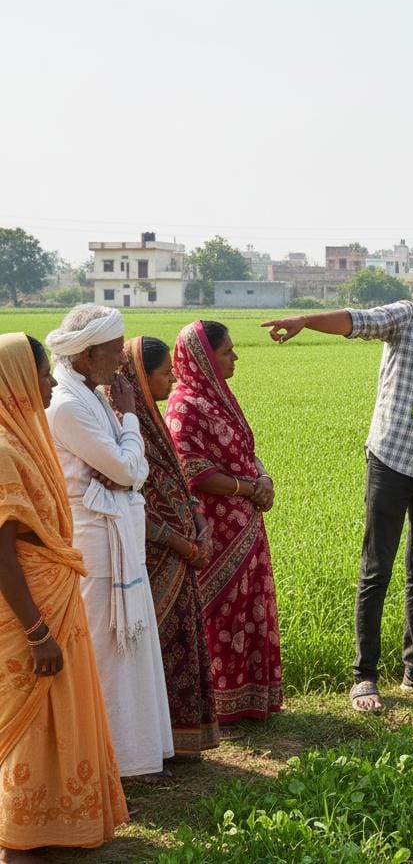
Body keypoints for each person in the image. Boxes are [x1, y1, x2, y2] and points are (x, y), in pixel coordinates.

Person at [262, 250, 413, 714]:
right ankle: (364, 676)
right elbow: (356, 321)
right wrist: (307, 320)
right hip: (390, 459)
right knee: (376, 570)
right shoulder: (407, 318)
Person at [0, 334, 129, 859]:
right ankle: (20, 839)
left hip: (52, 596)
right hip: (29, 611)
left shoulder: (24, 440)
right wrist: (36, 632)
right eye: (41, 375)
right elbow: (2, 553)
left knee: (58, 713)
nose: (52, 382)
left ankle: (53, 825)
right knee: (32, 719)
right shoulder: (4, 451)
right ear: (16, 382)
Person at [45, 305, 174, 782]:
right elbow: (128, 471)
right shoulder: (69, 404)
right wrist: (132, 420)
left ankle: (128, 755)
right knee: (104, 647)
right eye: (114, 349)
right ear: (88, 352)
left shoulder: (90, 394)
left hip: (117, 532)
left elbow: (129, 473)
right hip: (96, 541)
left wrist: (125, 449)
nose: (122, 359)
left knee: (127, 647)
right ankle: (103, 759)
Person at [165, 320, 282, 724]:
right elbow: (192, 469)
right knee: (220, 612)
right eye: (227, 351)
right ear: (203, 358)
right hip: (213, 529)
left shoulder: (219, 399)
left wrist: (262, 478)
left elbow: (247, 449)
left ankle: (251, 700)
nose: (235, 357)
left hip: (246, 525)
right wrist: (249, 488)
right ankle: (220, 706)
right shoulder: (184, 405)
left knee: (251, 607)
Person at [110, 337, 220, 756]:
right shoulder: (124, 431)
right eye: (164, 374)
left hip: (182, 554)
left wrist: (199, 521)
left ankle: (185, 739)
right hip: (156, 560)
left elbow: (179, 482)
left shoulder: (153, 425)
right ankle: (155, 742)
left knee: (183, 643)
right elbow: (136, 507)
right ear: (141, 377)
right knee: (159, 648)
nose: (172, 379)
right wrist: (182, 544)